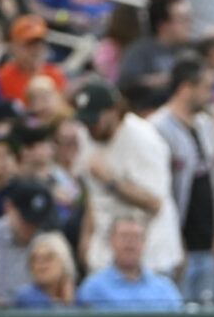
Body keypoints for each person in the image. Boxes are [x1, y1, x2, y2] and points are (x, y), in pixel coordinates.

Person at [73, 81, 181, 279]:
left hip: (150, 256)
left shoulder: (144, 139)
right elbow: (93, 191)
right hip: (105, 252)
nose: (89, 128)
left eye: (94, 121)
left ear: (114, 112)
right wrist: (86, 236)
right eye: (85, 122)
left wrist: (112, 181)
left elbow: (155, 203)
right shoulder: (86, 135)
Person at [150, 59, 214, 305]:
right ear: (186, 88)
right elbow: (160, 190)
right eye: (206, 87)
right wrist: (174, 240)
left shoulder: (206, 125)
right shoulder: (157, 128)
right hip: (175, 247)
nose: (210, 95)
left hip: (207, 243)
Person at [76, 214, 183, 311]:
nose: (130, 242)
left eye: (136, 237)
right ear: (111, 241)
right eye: (124, 236)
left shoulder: (164, 289)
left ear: (144, 243)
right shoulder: (92, 289)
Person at [116, 0, 192, 107]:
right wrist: (162, 81)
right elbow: (124, 86)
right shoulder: (140, 51)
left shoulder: (187, 53)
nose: (188, 24)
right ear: (163, 24)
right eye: (182, 19)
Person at [0, 16, 68, 107]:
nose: (35, 50)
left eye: (39, 43)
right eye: (29, 44)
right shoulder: (1, 78)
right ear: (14, 46)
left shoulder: (55, 75)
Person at [13, 231, 78, 309]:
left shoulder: (79, 296)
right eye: (35, 259)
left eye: (48, 258)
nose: (41, 265)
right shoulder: (25, 298)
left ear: (64, 262)